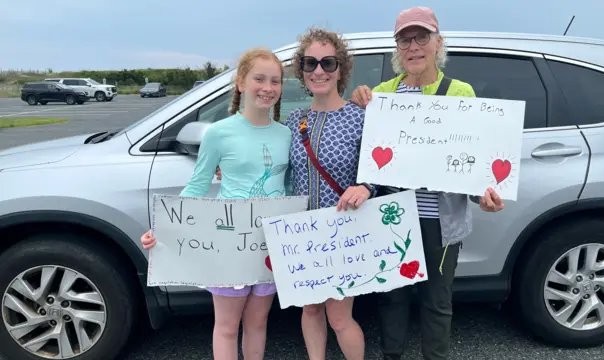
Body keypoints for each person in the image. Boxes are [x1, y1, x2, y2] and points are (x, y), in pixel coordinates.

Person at [350, 7, 505, 360]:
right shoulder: (382, 94)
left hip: (441, 221)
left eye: (422, 37)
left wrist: (485, 193)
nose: (413, 46)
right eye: (405, 39)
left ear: (438, 43)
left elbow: (473, 159)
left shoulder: (459, 92)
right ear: (397, 48)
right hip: (393, 217)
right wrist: (358, 103)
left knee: (437, 301)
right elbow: (368, 154)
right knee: (392, 298)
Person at [216, 27, 374, 359]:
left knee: (340, 318)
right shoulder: (294, 121)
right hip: (302, 234)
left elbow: (379, 172)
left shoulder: (359, 118)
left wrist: (366, 186)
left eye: (328, 63)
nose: (319, 70)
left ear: (340, 70)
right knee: (311, 311)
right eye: (310, 63)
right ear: (301, 71)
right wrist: (228, 167)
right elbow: (272, 166)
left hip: (344, 233)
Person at [140, 48, 291, 360]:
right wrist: (162, 228)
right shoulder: (219, 133)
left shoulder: (285, 134)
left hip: (268, 245)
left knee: (258, 322)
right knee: (226, 326)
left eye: (275, 81)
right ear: (240, 83)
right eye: (259, 79)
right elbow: (197, 184)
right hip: (228, 243)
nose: (267, 87)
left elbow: (287, 188)